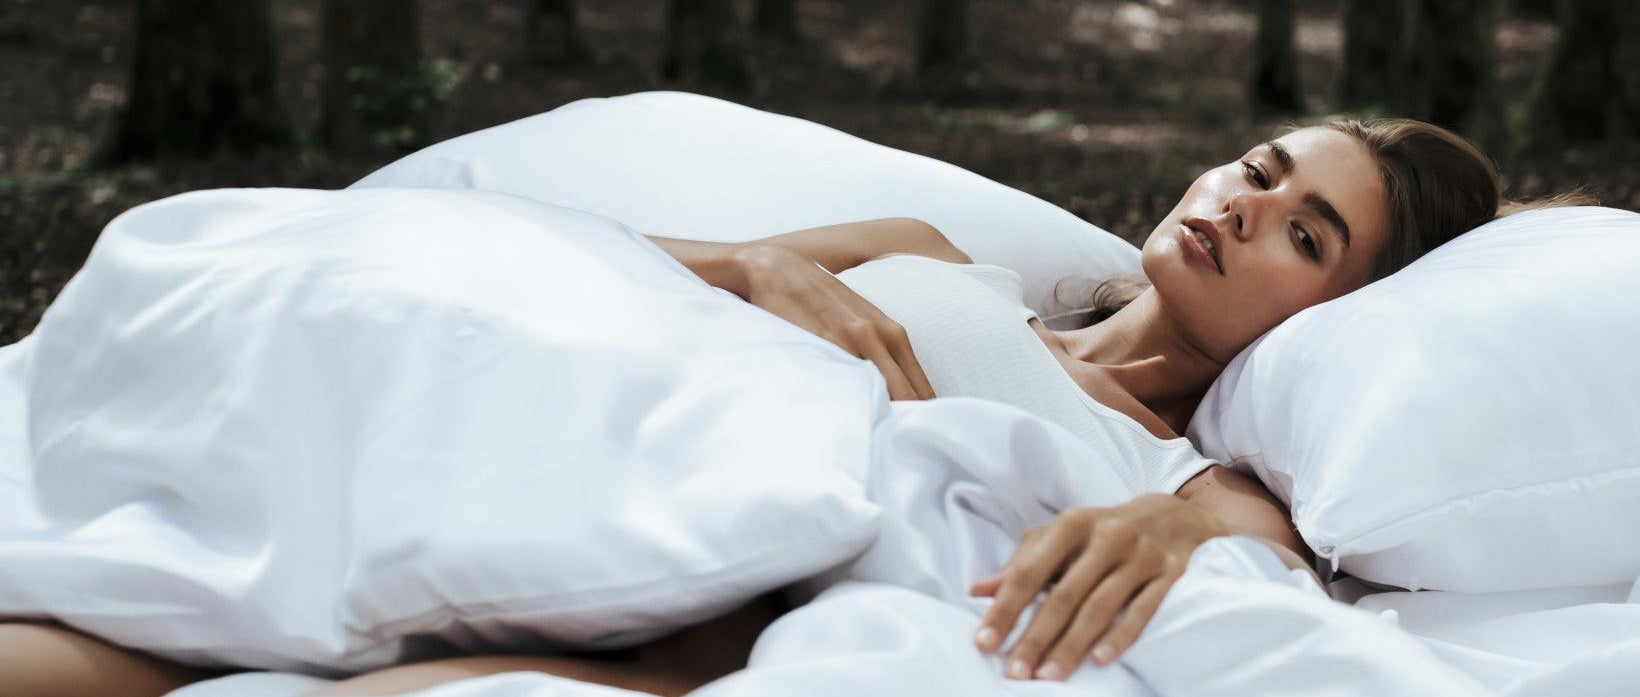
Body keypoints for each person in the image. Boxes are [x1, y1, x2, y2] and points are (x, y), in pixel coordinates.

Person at [0, 117, 1559, 696]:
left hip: (708, 519)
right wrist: (758, 265)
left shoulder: (1193, 457)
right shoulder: (950, 258)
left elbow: (1242, 532)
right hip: (586, 371)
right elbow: (612, 257)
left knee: (209, 638)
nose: (1242, 203)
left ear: (1346, 313)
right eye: (1265, 167)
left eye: (1307, 231)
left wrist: (1169, 514)